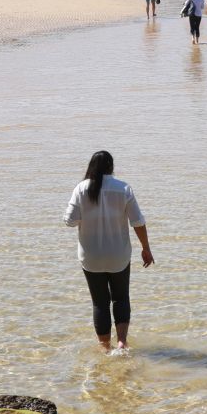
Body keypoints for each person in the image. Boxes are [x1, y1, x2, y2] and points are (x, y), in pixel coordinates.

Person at [63, 151, 153, 352]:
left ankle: (105, 348)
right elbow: (138, 221)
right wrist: (146, 248)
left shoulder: (81, 189)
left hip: (91, 257)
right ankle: (122, 342)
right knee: (121, 297)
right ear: (111, 167)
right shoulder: (123, 189)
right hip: (118, 256)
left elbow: (69, 221)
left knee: (100, 303)